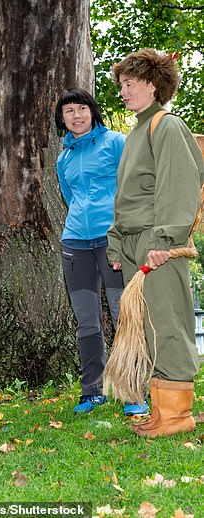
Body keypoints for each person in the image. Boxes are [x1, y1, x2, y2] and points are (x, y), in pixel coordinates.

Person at [107, 49, 204, 437]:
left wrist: (165, 239)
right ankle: (162, 410)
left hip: (156, 242)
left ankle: (177, 416)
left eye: (129, 85)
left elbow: (179, 187)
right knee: (147, 327)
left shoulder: (166, 126)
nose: (123, 93)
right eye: (121, 86)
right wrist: (117, 244)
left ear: (152, 85)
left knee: (168, 324)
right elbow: (127, 195)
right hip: (135, 244)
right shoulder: (136, 131)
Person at [55, 88, 146, 415]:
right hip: (76, 244)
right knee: (87, 322)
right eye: (69, 111)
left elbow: (133, 188)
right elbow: (70, 197)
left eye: (82, 108)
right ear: (61, 118)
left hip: (114, 242)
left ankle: (134, 392)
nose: (76, 115)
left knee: (126, 317)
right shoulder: (63, 158)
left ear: (93, 111)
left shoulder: (116, 143)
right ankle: (92, 392)